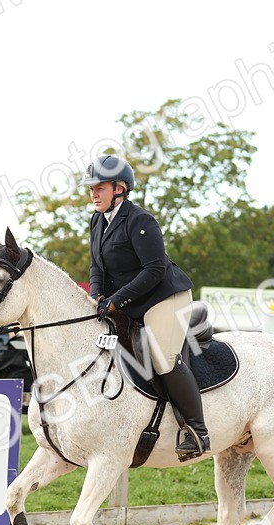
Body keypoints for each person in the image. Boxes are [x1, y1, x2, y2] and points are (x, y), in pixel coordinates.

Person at [84, 154, 209, 457]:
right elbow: (97, 266)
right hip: (130, 299)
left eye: (99, 188)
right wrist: (97, 295)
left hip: (163, 297)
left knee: (163, 358)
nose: (93, 194)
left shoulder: (140, 220)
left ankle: (197, 432)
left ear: (119, 189)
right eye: (91, 189)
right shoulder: (98, 220)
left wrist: (116, 300)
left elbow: (154, 270)